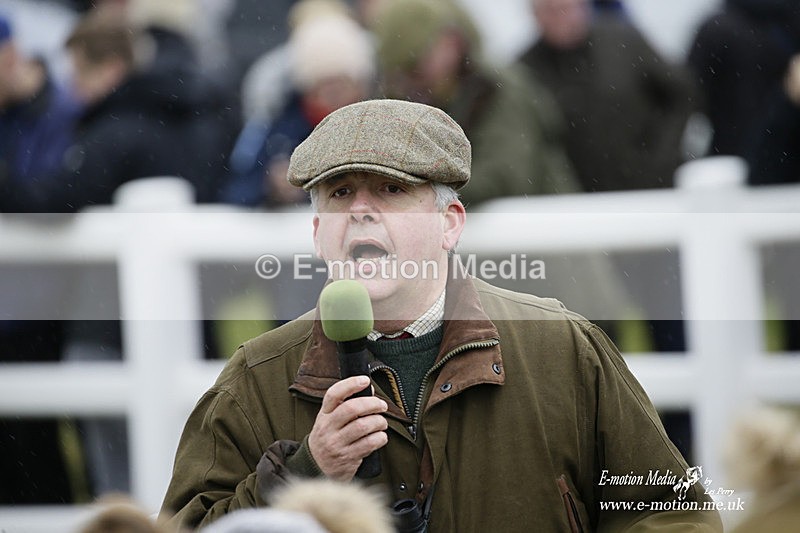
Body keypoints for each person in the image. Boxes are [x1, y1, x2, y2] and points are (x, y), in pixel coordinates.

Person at [160, 99, 722, 531]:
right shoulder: (254, 381)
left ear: (450, 223)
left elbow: (673, 514)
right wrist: (305, 474)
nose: (360, 211)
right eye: (340, 193)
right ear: (317, 233)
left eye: (391, 189)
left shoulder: (562, 349)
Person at [372, 0, 578, 208]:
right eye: (400, 71)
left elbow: (503, 176)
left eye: (416, 65)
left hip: (544, 219)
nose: (410, 79)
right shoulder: (415, 94)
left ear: (451, 43)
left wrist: (415, 194)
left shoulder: (496, 90)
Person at [521, 0, 694, 192]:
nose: (559, 17)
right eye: (549, 10)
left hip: (647, 184)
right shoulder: (524, 70)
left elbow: (680, 94)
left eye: (566, 8)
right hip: (574, 193)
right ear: (534, 15)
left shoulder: (623, 41)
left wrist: (661, 155)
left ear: (583, 7)